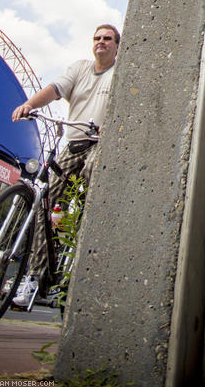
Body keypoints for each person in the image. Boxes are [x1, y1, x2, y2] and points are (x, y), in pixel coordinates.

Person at [10, 24, 120, 308]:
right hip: (72, 143)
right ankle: (33, 278)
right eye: (97, 38)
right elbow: (54, 89)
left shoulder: (122, 72)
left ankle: (83, 228)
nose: (101, 42)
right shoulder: (80, 69)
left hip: (99, 144)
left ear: (117, 45)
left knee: (92, 172)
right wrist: (29, 105)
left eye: (107, 39)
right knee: (47, 206)